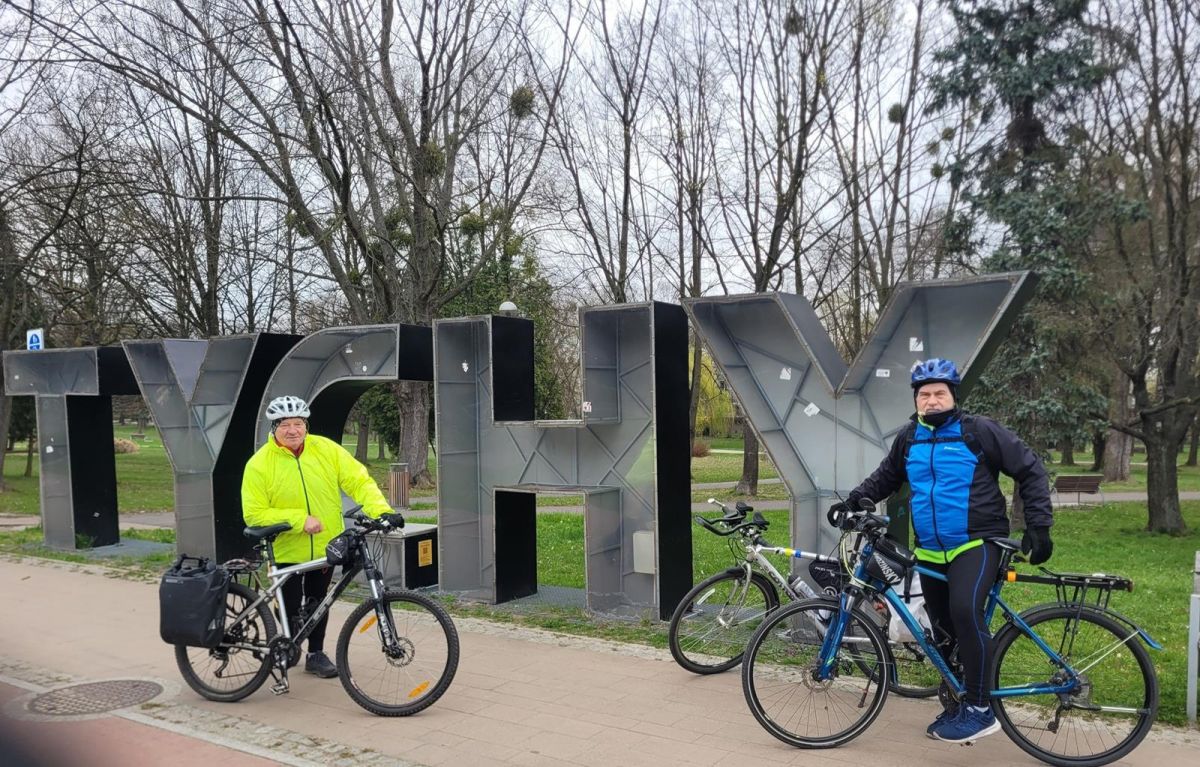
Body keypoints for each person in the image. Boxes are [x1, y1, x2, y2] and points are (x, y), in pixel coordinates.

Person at [834, 358, 1053, 743]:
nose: (932, 400)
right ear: (916, 400)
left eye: (939, 393)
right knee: (942, 631)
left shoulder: (978, 431)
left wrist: (1039, 525)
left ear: (953, 397)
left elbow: (1029, 467)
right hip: (932, 549)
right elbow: (886, 477)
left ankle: (981, 709)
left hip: (977, 542)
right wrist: (853, 501)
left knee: (965, 613)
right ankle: (958, 697)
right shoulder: (909, 438)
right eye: (924, 395)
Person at [241, 395, 394, 678]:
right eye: (284, 424)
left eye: (298, 423)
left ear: (306, 425)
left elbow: (358, 481)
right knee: (289, 605)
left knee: (319, 601)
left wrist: (382, 511)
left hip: (326, 546)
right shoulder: (259, 464)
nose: (293, 430)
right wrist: (300, 520)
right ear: (274, 428)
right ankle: (288, 640)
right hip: (286, 548)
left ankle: (316, 654)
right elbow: (254, 513)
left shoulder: (326, 449)